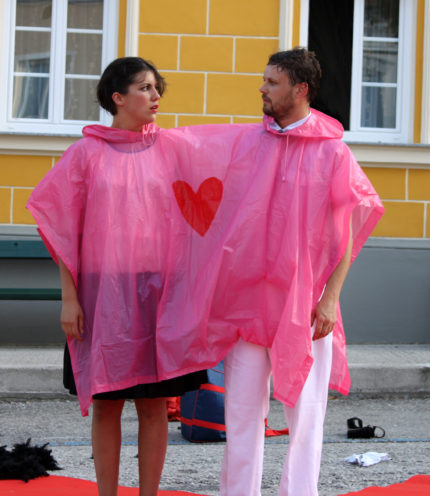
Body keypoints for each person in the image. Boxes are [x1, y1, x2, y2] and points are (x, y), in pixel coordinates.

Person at [26, 57, 207, 496]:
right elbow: (61, 228)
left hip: (157, 294)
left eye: (157, 87)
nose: (155, 96)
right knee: (107, 404)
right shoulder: (86, 154)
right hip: (101, 295)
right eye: (145, 88)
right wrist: (69, 299)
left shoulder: (172, 150)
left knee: (153, 406)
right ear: (118, 97)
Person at [218, 47, 384, 496]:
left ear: (300, 89)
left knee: (306, 417)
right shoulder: (250, 145)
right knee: (241, 414)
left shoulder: (333, 154)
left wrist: (330, 298)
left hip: (307, 305)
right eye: (265, 80)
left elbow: (348, 230)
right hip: (250, 302)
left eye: (272, 82)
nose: (262, 88)